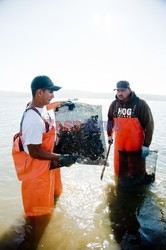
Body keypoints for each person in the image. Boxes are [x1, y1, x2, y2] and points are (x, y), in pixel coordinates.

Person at [12, 75, 77, 217]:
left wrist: (64, 103)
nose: (53, 96)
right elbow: (35, 152)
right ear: (40, 92)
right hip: (37, 173)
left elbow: (49, 106)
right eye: (50, 92)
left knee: (53, 201)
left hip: (48, 166)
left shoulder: (39, 107)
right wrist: (61, 158)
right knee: (39, 215)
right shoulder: (33, 119)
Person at [107, 80, 154, 186]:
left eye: (122, 90)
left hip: (135, 148)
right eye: (118, 90)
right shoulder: (114, 104)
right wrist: (109, 135)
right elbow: (110, 120)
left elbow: (149, 125)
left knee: (136, 176)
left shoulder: (140, 104)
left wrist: (146, 144)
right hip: (119, 147)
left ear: (129, 90)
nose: (119, 93)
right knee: (119, 175)